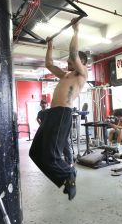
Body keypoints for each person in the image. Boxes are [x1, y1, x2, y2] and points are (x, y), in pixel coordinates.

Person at [29, 18, 88, 201]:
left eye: (72, 60)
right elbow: (48, 64)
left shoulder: (82, 74)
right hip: (52, 114)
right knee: (36, 152)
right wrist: (50, 45)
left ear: (81, 62)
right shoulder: (65, 75)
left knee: (52, 154)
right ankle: (65, 178)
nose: (68, 61)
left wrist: (76, 30)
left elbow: (73, 51)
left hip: (63, 113)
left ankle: (69, 174)